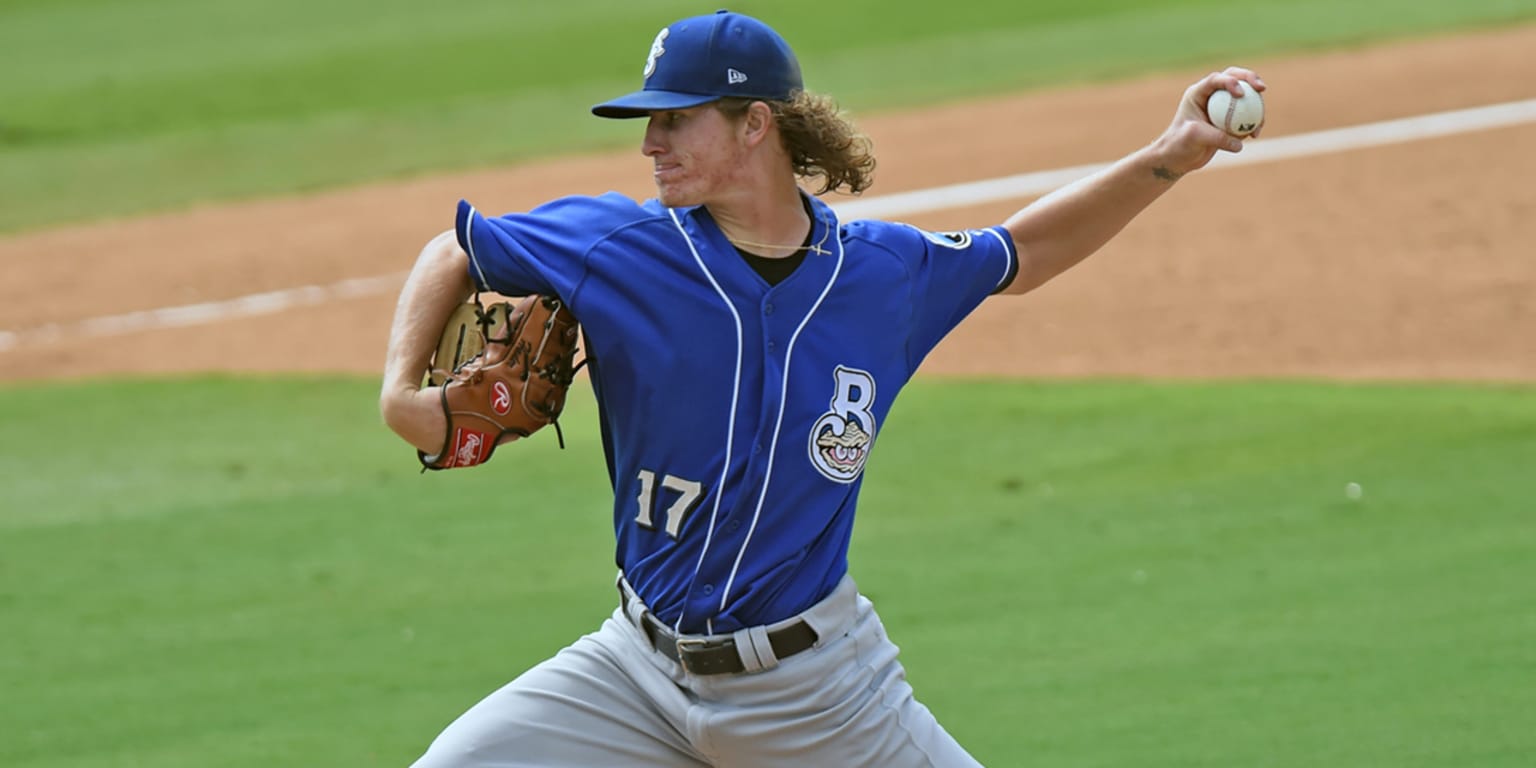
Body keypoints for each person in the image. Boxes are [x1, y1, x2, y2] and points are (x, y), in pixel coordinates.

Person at [379, 9, 1264, 767]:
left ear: (754, 124)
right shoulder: (617, 247)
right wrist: (399, 392)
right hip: (634, 674)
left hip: (818, 697)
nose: (649, 142)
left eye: (675, 119)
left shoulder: (885, 275)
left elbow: (1022, 253)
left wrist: (1170, 156)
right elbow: (455, 249)